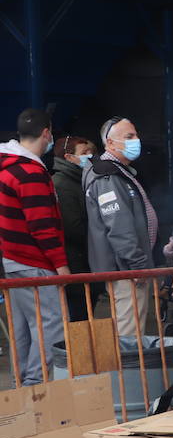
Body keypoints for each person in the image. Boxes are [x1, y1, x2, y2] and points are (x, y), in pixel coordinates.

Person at [0, 109, 70, 385]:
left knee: (23, 329)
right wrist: (62, 266)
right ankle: (35, 388)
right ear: (46, 132)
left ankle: (20, 387)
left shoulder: (7, 168)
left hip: (13, 261)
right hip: (35, 262)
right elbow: (42, 226)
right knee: (51, 324)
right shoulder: (30, 172)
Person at [86, 116, 158, 339]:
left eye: (135, 135)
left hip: (127, 268)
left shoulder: (118, 172)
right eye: (129, 137)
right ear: (110, 143)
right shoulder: (108, 175)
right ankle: (126, 374)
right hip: (126, 270)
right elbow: (118, 227)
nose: (136, 140)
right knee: (129, 335)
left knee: (131, 329)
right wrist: (137, 264)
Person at [51, 135, 99, 320]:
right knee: (78, 319)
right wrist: (101, 234)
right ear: (68, 157)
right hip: (76, 264)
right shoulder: (62, 184)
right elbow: (73, 227)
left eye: (91, 152)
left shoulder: (82, 180)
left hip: (84, 263)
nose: (90, 156)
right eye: (84, 153)